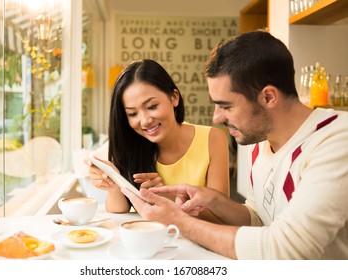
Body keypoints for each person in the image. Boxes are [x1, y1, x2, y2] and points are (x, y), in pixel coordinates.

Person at [121, 31, 348, 260]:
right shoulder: (260, 140)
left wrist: (179, 221)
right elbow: (260, 218)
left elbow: (285, 249)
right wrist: (213, 199)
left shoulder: (336, 140)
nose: (216, 118)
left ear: (268, 97)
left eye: (226, 106)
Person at [88, 59, 230, 223]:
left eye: (152, 106)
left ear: (174, 97)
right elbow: (119, 212)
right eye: (133, 114)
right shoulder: (132, 147)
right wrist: (113, 186)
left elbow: (222, 218)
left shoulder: (213, 139)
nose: (145, 120)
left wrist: (171, 199)